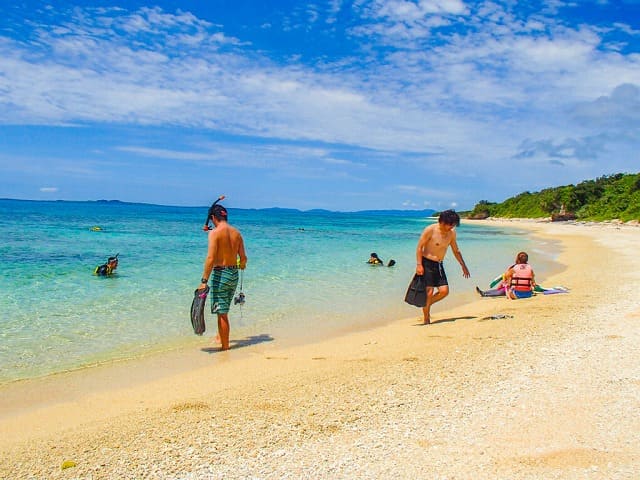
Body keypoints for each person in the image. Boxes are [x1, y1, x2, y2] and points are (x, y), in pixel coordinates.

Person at [198, 198, 247, 351]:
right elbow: (243, 259)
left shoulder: (215, 233)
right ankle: (220, 337)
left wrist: (204, 281)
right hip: (233, 274)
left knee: (222, 313)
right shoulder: (236, 233)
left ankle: (225, 348)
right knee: (224, 309)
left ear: (213, 218)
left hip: (221, 275)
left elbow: (211, 258)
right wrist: (240, 265)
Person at [415, 210, 470, 324]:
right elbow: (419, 247)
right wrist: (419, 265)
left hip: (439, 265)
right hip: (426, 263)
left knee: (444, 291)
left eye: (454, 225)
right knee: (429, 292)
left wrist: (463, 265)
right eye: (450, 224)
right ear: (442, 222)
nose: (451, 227)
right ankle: (426, 318)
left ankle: (426, 304)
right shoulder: (430, 230)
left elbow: (456, 250)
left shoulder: (452, 233)